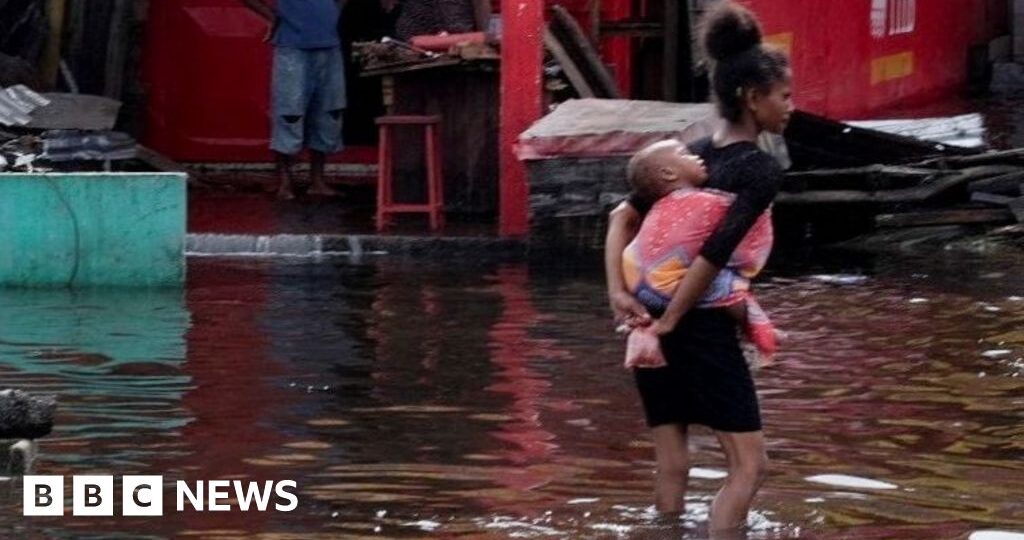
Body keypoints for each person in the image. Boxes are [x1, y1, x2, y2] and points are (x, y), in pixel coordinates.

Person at [603, 1, 794, 532]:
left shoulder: (691, 156)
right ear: (752, 99)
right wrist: (673, 321)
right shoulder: (757, 169)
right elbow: (713, 255)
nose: (790, 106)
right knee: (750, 466)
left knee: (674, 462)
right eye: (784, 96)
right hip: (699, 328)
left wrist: (618, 292)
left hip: (646, 326)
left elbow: (621, 216)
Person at [620, 140, 778, 369]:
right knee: (731, 286)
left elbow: (620, 217)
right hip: (664, 288)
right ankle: (760, 330)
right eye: (686, 155)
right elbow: (743, 221)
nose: (698, 158)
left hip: (637, 283)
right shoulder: (703, 201)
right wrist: (762, 203)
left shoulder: (658, 205)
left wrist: (618, 292)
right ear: (668, 173)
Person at [242, 0, 346, 200]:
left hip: (329, 45)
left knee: (328, 112)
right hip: (292, 47)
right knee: (289, 112)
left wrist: (333, 13)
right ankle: (284, 181)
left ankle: (317, 181)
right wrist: (272, 16)